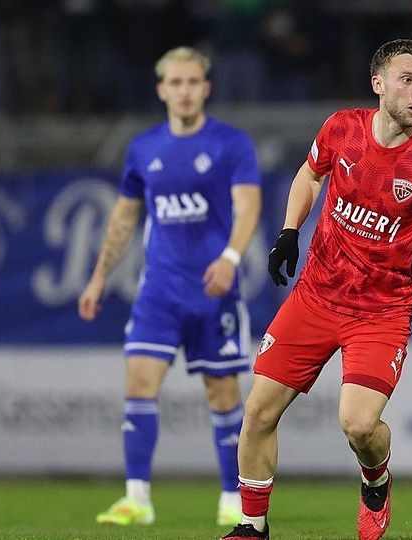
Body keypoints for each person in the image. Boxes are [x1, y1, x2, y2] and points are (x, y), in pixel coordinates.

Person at [222, 39, 412, 540]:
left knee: (359, 426)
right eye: (407, 80)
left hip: (381, 311)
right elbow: (310, 174)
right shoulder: (341, 129)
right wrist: (289, 231)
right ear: (378, 84)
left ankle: (376, 479)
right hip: (316, 296)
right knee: (258, 411)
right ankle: (252, 527)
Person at [78, 46, 262, 527]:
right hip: (158, 290)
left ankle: (233, 498)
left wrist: (230, 258)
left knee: (223, 393)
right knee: (138, 383)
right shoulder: (143, 149)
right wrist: (98, 277)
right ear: (161, 90)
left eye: (193, 82)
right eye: (176, 83)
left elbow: (248, 207)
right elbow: (124, 218)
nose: (185, 91)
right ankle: (136, 498)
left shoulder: (231, 144)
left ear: (207, 88)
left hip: (213, 289)